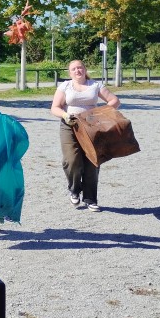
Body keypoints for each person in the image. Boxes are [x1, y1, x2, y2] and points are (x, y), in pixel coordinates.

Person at [50, 59, 120, 212]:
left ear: (85, 69)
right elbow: (54, 107)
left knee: (92, 162)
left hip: (92, 127)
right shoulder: (65, 86)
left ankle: (90, 199)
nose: (77, 71)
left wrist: (99, 113)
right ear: (70, 72)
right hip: (70, 126)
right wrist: (65, 114)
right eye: (73, 69)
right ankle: (74, 189)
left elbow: (114, 100)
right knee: (71, 160)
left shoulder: (95, 85)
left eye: (80, 67)